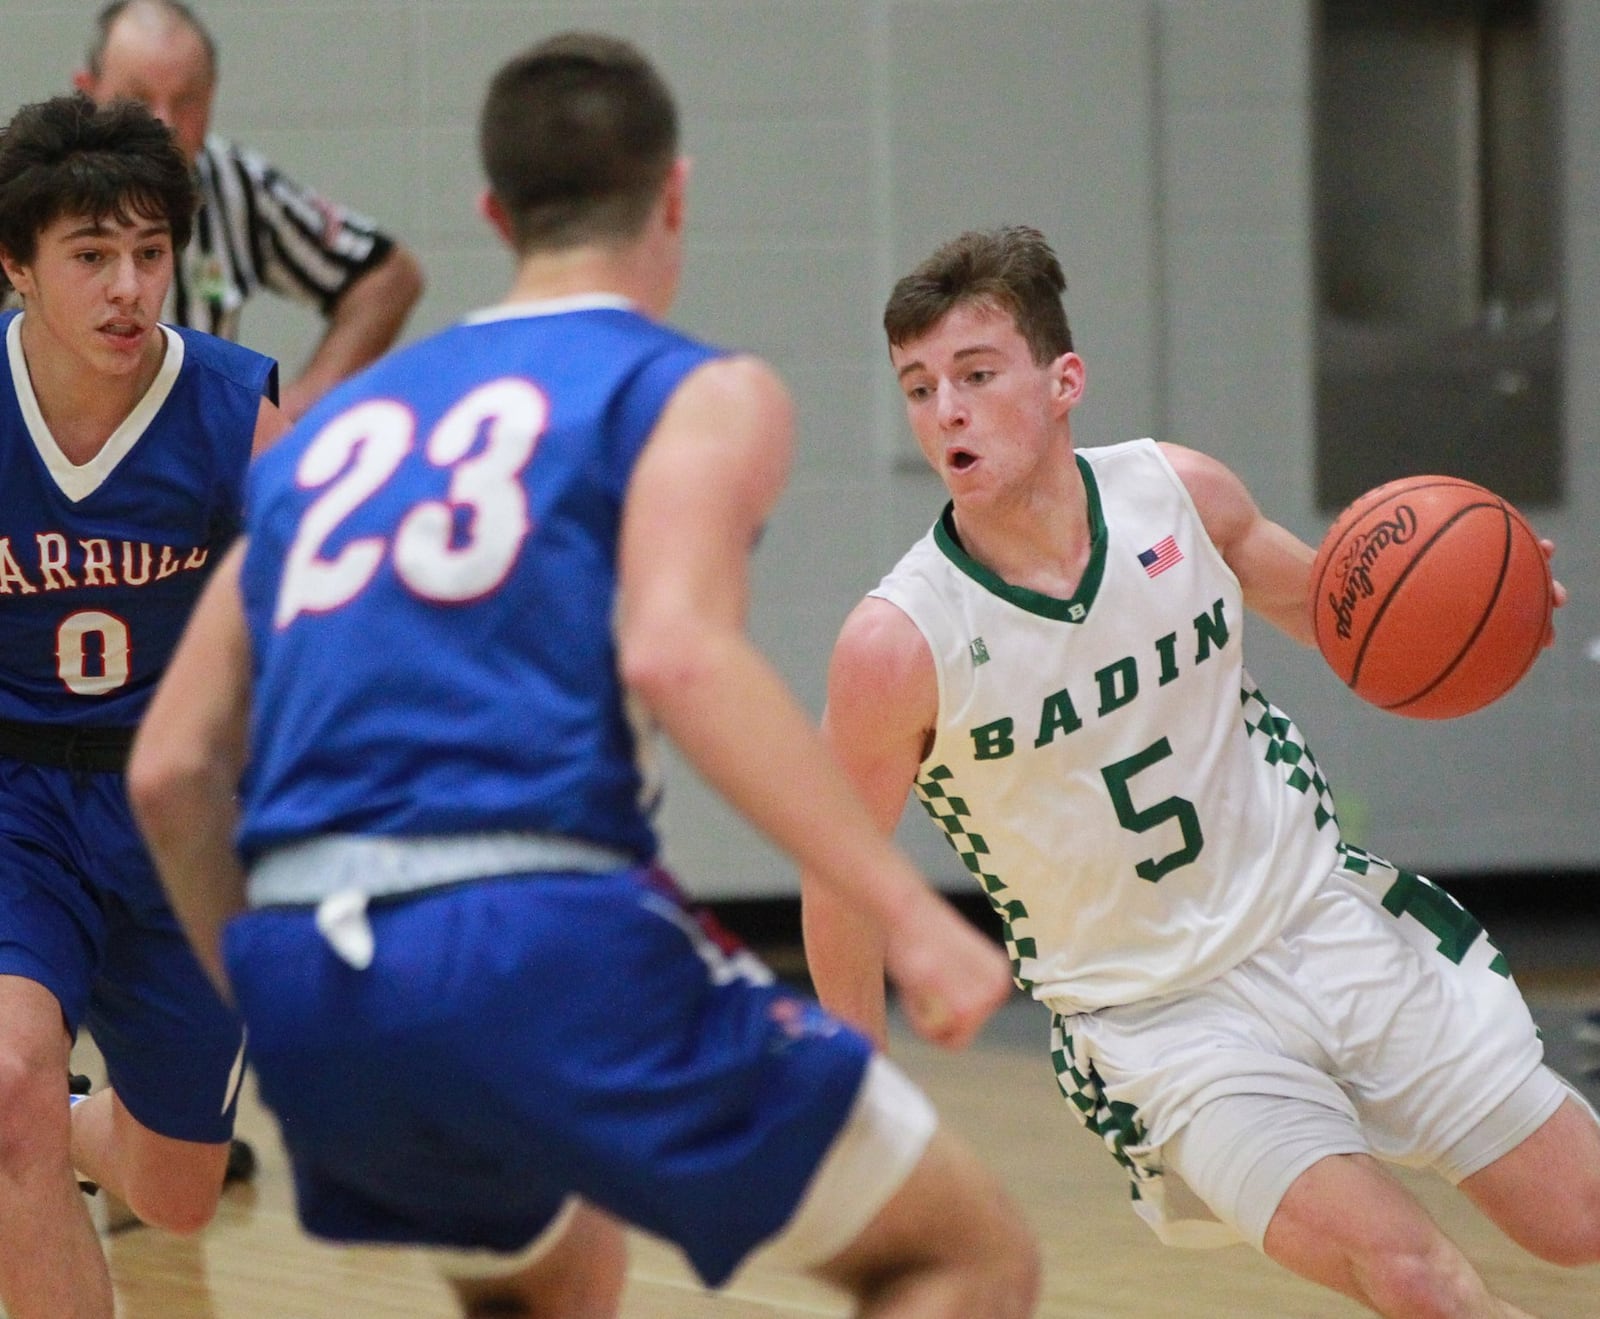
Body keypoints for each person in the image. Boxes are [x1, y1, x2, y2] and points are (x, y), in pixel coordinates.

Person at [127, 34, 1040, 1319]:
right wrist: (911, 916)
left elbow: (169, 771)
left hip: (305, 973)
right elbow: (678, 649)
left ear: (497, 216)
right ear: (675, 192)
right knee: (967, 1255)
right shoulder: (693, 389)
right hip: (532, 931)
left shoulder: (325, 435)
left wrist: (289, 1004)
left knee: (555, 1282)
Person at [800, 224, 1600, 1319]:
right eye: (919, 386)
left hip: (1320, 924)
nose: (946, 409)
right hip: (1161, 1022)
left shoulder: (1176, 495)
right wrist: (862, 1094)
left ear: (1062, 378)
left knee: (1581, 1216)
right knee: (1412, 1272)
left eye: (977, 375)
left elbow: (1349, 618)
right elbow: (837, 871)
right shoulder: (897, 644)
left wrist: (1485, 605)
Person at [0, 92, 284, 1319]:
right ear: (15, 265)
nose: (129, 288)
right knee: (5, 1080)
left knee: (175, 1189)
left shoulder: (232, 409)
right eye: (91, 255)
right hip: (14, 797)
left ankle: (62, 1123)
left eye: (151, 253)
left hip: (177, 811)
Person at [69, 0, 423, 420]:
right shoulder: (30, 193)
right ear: (88, 91)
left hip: (191, 469)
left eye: (186, 101)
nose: (164, 124)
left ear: (212, 94)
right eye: (139, 99)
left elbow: (388, 275)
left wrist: (290, 411)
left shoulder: (236, 187)